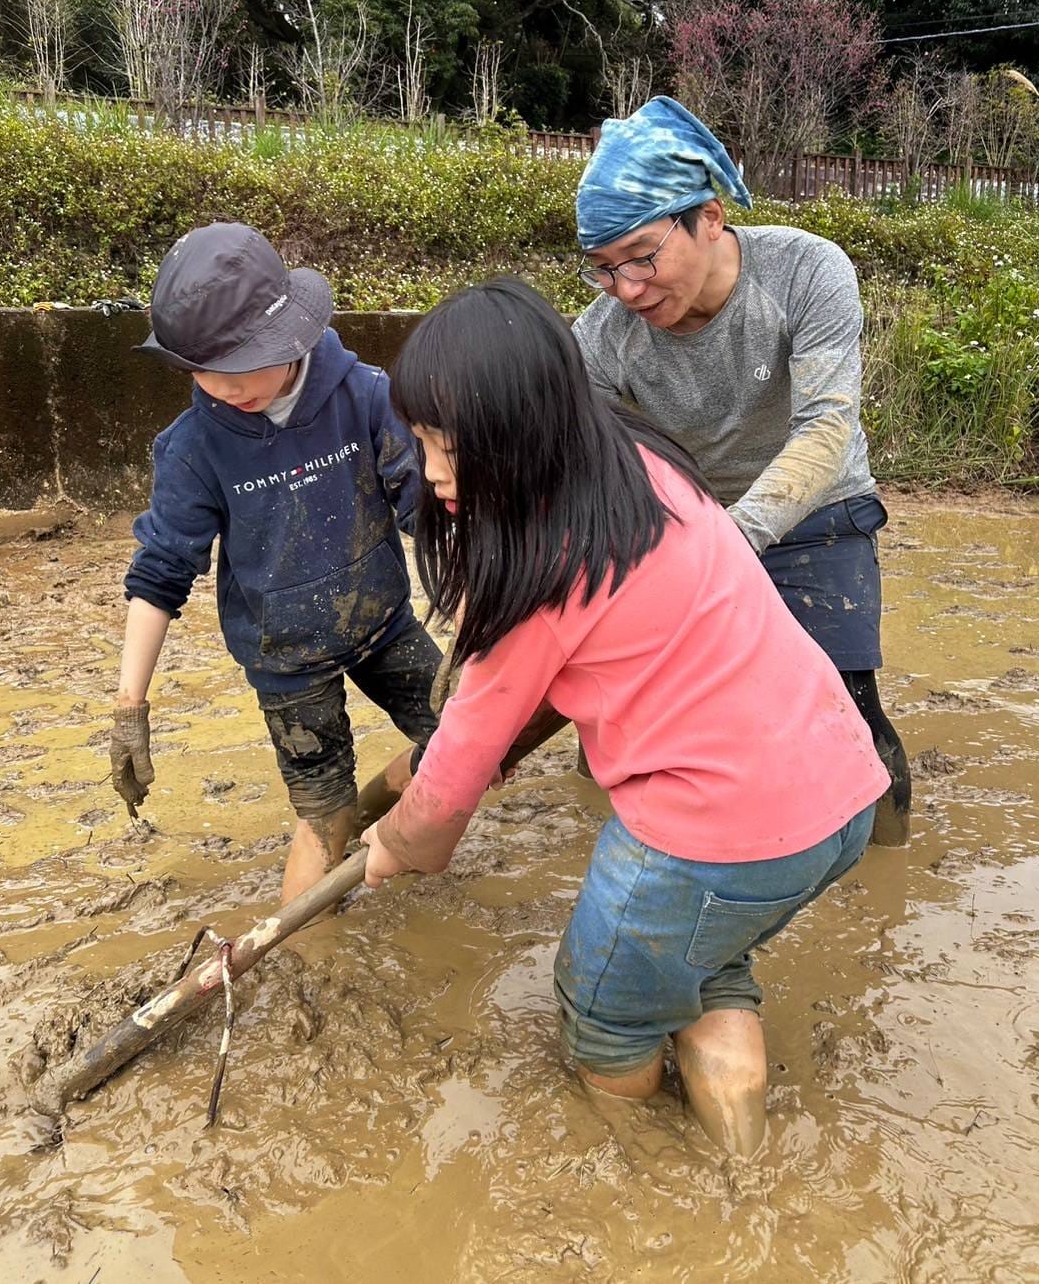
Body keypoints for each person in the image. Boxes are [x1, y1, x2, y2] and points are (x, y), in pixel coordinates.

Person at [360, 278, 888, 1155]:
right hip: (839, 797)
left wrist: (394, 844)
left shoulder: (535, 578)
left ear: (522, 433)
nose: (436, 472)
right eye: (421, 442)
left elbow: (447, 788)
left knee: (604, 1008)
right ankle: (748, 1171)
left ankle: (643, 1181)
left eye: (452, 446)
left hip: (714, 837)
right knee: (706, 957)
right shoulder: (646, 468)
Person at [572, 96, 910, 845]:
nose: (627, 288)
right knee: (618, 720)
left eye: (643, 256)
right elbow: (583, 465)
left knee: (847, 707)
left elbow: (826, 426)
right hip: (684, 528)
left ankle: (883, 867)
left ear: (712, 217)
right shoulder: (601, 335)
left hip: (814, 512)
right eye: (604, 268)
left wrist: (735, 536)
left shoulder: (805, 271)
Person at [109, 222, 442, 901]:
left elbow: (431, 515)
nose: (223, 387)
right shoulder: (196, 446)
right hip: (286, 662)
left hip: (384, 626)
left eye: (239, 364)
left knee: (468, 739)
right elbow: (161, 571)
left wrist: (474, 627)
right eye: (202, 370)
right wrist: (128, 706)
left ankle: (397, 818)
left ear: (288, 334)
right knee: (322, 815)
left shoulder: (366, 397)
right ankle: (308, 951)